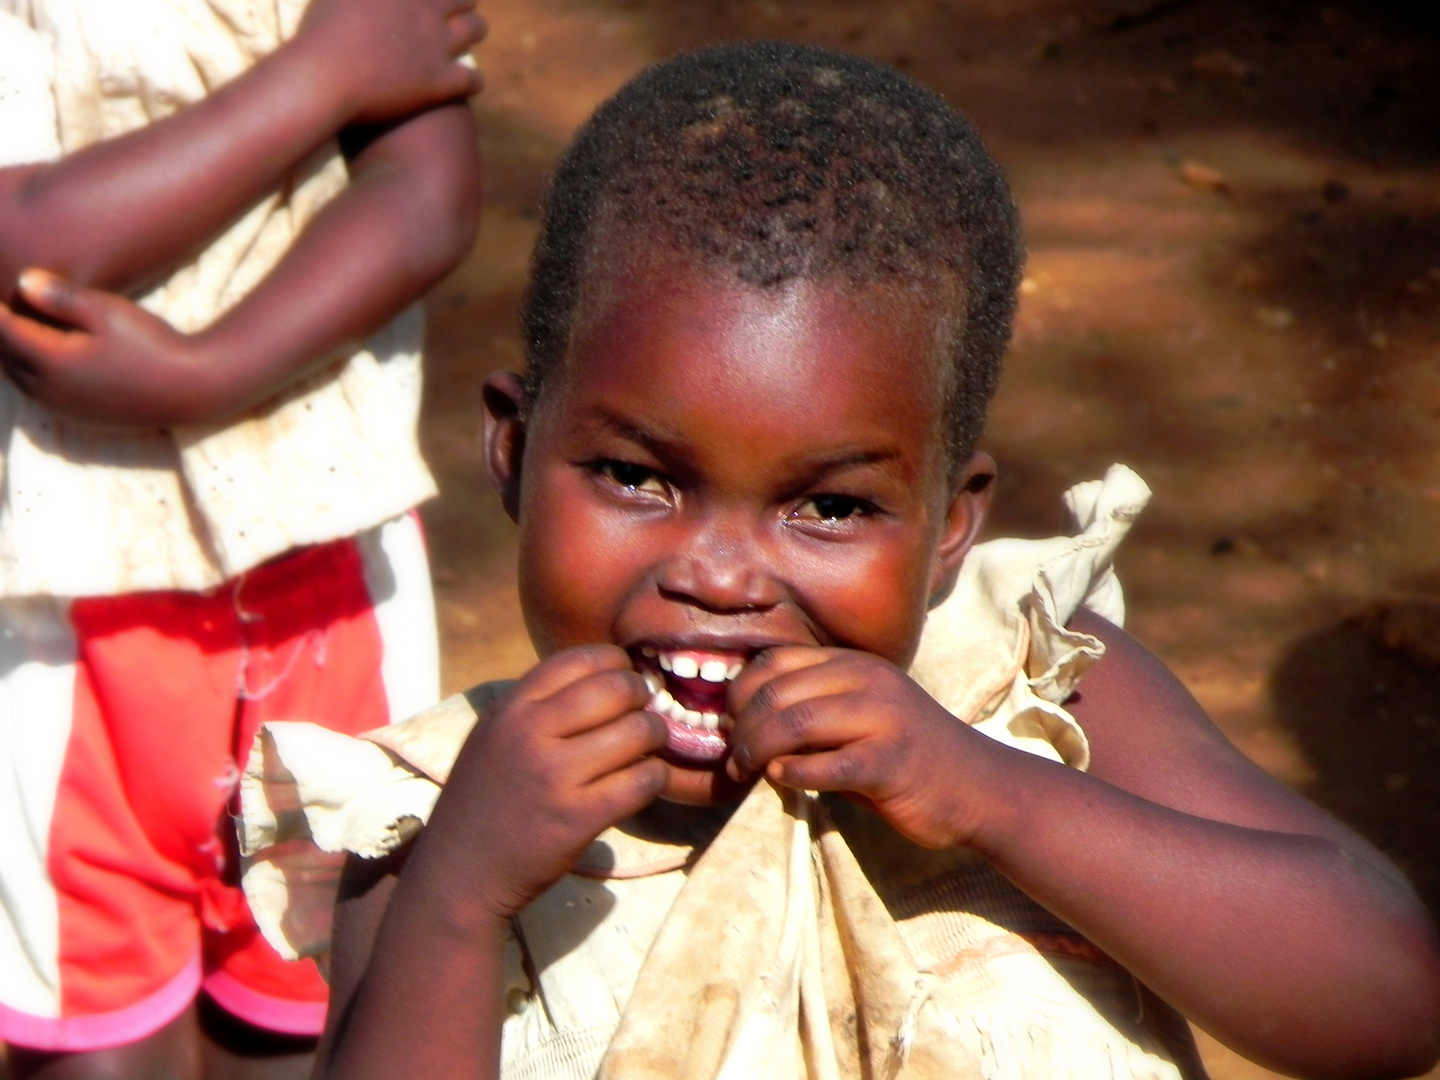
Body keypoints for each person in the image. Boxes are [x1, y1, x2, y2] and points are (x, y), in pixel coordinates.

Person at [243, 41, 1440, 1080]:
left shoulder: (1029, 693)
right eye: (635, 478)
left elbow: (1386, 1001)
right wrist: (462, 899)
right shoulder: (436, 820)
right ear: (512, 450)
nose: (718, 575)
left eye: (826, 507)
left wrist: (982, 789)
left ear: (948, 528)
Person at [0, 0, 485, 1075]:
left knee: (318, 992)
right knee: (95, 1039)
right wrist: (325, 74)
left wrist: (204, 371)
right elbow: (26, 239)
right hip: (75, 614)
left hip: (338, 576)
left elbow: (429, 193)